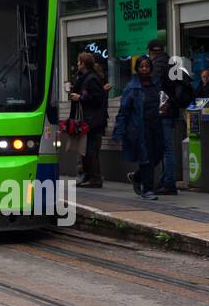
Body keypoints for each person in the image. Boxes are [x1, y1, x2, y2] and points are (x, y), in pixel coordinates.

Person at [112, 56, 163, 201]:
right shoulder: (132, 87)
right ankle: (147, 189)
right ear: (137, 69)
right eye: (142, 66)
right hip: (140, 128)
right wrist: (119, 132)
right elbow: (124, 111)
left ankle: (136, 177)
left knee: (157, 156)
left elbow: (160, 102)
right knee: (146, 158)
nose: (145, 69)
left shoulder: (155, 85)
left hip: (155, 126)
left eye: (147, 66)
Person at [147, 38, 191, 195]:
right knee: (167, 148)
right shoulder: (173, 63)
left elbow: (155, 88)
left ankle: (168, 183)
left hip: (163, 112)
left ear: (151, 52)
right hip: (173, 110)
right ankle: (166, 180)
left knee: (166, 149)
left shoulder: (157, 66)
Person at [69, 51, 107, 188]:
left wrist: (80, 98)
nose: (77, 64)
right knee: (86, 149)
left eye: (79, 62)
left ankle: (95, 178)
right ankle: (89, 176)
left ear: (83, 64)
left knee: (91, 149)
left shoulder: (91, 79)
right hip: (87, 120)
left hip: (92, 121)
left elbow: (98, 98)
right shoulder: (85, 78)